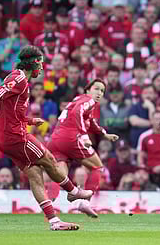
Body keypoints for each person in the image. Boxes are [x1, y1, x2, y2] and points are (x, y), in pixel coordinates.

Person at [0, 46, 93, 231]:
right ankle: (73, 192)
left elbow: (10, 110)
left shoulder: (20, 80)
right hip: (15, 136)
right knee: (49, 159)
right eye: (40, 62)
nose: (42, 67)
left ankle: (54, 221)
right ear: (33, 62)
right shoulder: (18, 78)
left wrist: (30, 120)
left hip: (6, 137)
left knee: (35, 174)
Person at [48, 78, 119, 217]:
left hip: (55, 139)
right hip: (70, 138)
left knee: (60, 173)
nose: (99, 93)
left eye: (102, 91)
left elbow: (90, 121)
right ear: (88, 90)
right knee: (97, 167)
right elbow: (77, 113)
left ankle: (49, 203)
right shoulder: (88, 100)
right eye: (96, 89)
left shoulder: (79, 99)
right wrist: (84, 136)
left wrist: (104, 134)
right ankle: (84, 202)